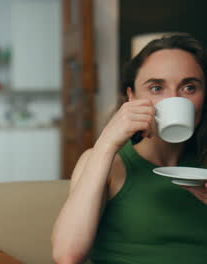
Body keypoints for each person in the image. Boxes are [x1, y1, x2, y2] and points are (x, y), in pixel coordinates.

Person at [51, 34, 207, 264]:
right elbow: (67, 255)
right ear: (131, 96)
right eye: (156, 88)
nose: (174, 99)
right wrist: (107, 142)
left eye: (189, 87)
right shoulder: (105, 162)